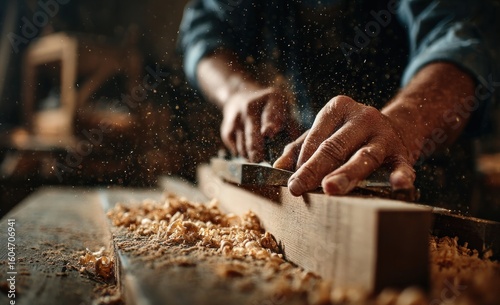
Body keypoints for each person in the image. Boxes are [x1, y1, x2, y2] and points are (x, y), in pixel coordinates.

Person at [179, 0, 500, 200]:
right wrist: (235, 90)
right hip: (313, 175)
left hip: (426, 173)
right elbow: (204, 29)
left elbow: (461, 35)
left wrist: (402, 127)